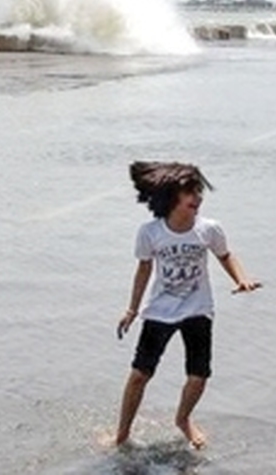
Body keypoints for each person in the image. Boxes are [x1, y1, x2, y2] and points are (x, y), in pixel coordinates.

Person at [114, 161, 261, 450]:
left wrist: (241, 279)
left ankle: (183, 419)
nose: (198, 198)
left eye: (199, 191)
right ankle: (121, 434)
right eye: (191, 192)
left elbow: (225, 255)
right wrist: (132, 310)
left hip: (198, 309)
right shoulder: (150, 233)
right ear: (172, 197)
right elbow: (143, 270)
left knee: (199, 376)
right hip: (159, 311)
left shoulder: (209, 229)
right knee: (140, 374)